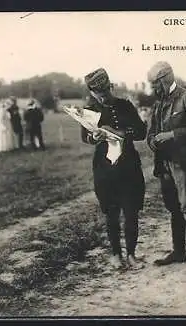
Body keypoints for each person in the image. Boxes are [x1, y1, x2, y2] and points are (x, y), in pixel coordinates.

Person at [81, 68, 147, 270]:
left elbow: (141, 132)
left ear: (110, 87)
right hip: (105, 169)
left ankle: (132, 255)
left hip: (128, 167)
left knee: (131, 211)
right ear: (92, 92)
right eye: (97, 94)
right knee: (111, 213)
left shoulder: (125, 106)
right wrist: (94, 137)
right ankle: (116, 254)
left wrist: (121, 132)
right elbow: (85, 136)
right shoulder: (89, 110)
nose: (101, 98)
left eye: (104, 93)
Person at [147, 61, 186, 274]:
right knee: (173, 208)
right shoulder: (157, 104)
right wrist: (153, 140)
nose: (153, 89)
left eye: (155, 84)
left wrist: (172, 135)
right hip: (164, 164)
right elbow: (151, 133)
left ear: (165, 78)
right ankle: (178, 252)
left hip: (184, 162)